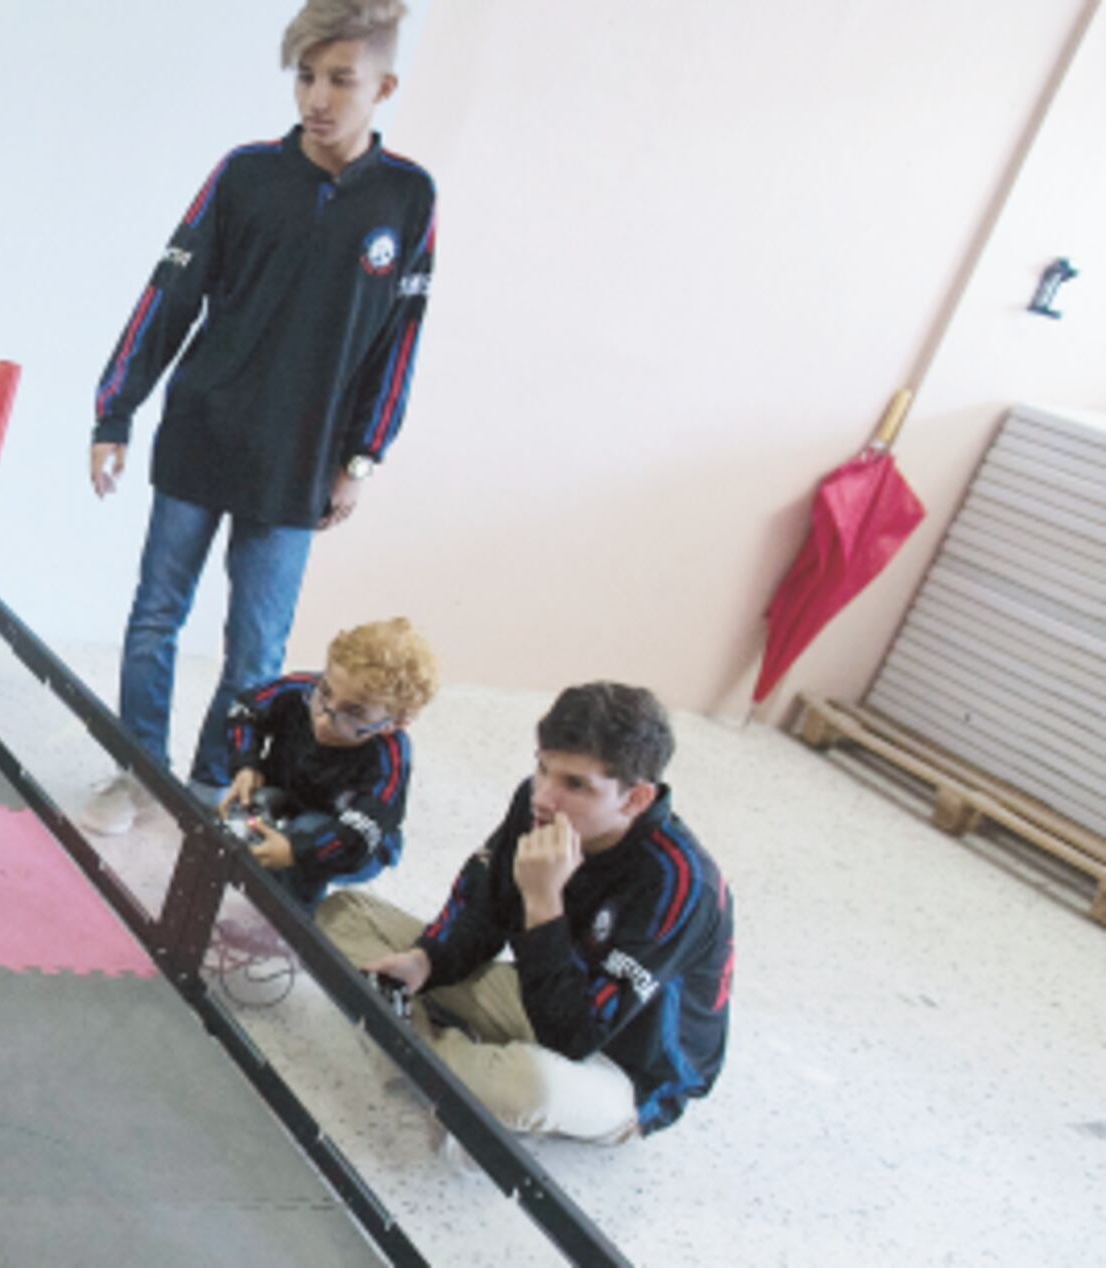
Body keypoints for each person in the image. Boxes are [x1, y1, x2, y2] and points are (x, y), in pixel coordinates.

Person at [83, 0, 436, 834]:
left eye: (340, 79)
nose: (317, 96)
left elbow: (401, 342)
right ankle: (137, 773)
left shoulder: (409, 198)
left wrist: (362, 458)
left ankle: (209, 786)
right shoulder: (244, 172)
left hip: (301, 461)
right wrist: (115, 412)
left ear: (383, 86)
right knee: (156, 614)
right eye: (305, 76)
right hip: (201, 431)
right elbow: (168, 296)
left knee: (257, 651)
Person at [319, 684, 735, 1142]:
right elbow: (482, 907)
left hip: (620, 1064)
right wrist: (427, 959)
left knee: (528, 1087)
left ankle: (418, 1049)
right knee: (344, 914)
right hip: (540, 991)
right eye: (543, 768)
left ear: (635, 799)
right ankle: (442, 1067)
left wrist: (543, 902)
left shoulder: (679, 884)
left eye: (575, 784)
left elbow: (574, 1037)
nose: (544, 796)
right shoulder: (536, 804)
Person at [217, 617, 437, 910]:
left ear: (394, 723)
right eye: (326, 693)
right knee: (240, 807)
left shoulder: (390, 759)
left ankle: (289, 926)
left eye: (353, 713)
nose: (323, 719)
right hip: (289, 798)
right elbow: (245, 709)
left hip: (352, 840)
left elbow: (359, 834)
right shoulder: (299, 690)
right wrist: (246, 764)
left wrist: (297, 851)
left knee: (306, 839)